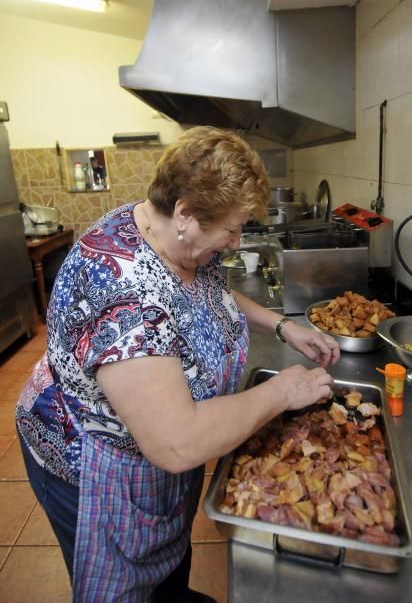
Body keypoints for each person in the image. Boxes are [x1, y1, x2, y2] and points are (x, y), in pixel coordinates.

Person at [16, 127, 339, 603]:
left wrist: (282, 327)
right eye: (231, 229)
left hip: (152, 462)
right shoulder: (120, 291)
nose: (234, 242)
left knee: (166, 573)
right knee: (124, 587)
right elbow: (177, 442)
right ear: (186, 212)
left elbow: (208, 291)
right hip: (94, 465)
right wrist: (283, 392)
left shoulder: (169, 235)